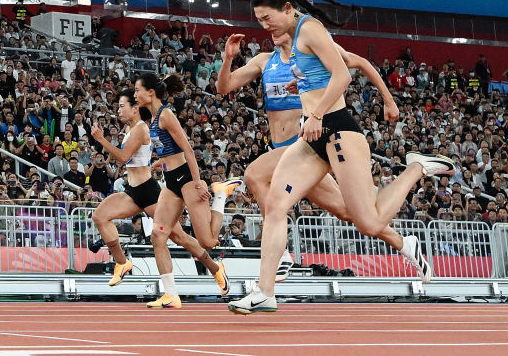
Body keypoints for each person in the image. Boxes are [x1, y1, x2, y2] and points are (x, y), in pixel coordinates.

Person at [229, 0, 455, 315]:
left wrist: (319, 112)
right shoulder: (291, 40)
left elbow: (344, 75)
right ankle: (265, 292)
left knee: (369, 223)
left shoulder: (311, 29)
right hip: (311, 139)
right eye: (259, 20)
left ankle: (416, 168)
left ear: (287, 9)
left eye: (267, 18)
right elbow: (319, 72)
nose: (265, 26)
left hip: (337, 130)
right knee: (275, 205)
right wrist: (300, 84)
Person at [216, 31, 431, 283]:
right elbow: (224, 87)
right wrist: (228, 59)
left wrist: (389, 99)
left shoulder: (313, 53)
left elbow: (360, 62)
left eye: (277, 25)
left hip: (306, 146)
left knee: (254, 174)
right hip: (288, 155)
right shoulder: (265, 61)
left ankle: (280, 253)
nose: (273, 31)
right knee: (349, 213)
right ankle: (405, 244)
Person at [88, 89, 228, 304]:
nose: (118, 111)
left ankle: (215, 268)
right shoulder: (130, 128)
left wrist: (101, 140)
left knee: (179, 237)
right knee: (100, 216)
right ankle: (122, 263)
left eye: (122, 106)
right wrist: (159, 163)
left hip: (149, 191)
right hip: (133, 191)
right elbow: (150, 153)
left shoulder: (141, 128)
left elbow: (123, 158)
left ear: (135, 108)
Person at [134, 73, 241, 308]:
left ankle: (221, 194)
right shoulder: (153, 119)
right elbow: (169, 150)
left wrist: (198, 182)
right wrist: (160, 163)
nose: (135, 95)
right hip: (171, 181)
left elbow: (188, 150)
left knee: (208, 241)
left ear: (150, 92)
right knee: (158, 236)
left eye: (137, 90)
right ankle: (171, 294)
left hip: (186, 179)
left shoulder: (166, 115)